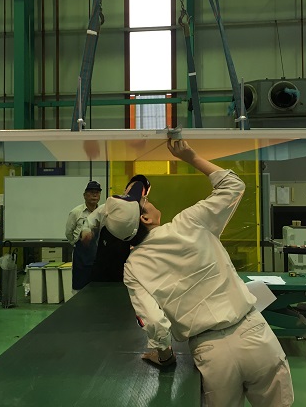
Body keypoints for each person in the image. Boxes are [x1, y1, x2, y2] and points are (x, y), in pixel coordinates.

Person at [102, 139, 294, 407]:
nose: (149, 200)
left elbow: (154, 323)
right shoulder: (190, 222)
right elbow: (233, 185)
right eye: (146, 201)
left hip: (211, 353)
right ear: (146, 218)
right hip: (254, 334)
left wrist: (165, 356)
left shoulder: (133, 267)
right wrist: (190, 156)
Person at [80, 175, 151, 282]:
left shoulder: (144, 214)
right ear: (125, 190)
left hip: (126, 267)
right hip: (102, 264)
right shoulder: (109, 206)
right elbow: (90, 221)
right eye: (132, 187)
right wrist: (86, 232)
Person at [65, 180, 101, 291]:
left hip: (98, 256)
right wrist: (76, 243)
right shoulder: (76, 212)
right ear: (84, 195)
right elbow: (69, 233)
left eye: (97, 192)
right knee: (79, 289)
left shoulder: (102, 212)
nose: (94, 195)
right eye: (91, 192)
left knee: (97, 289)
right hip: (81, 257)